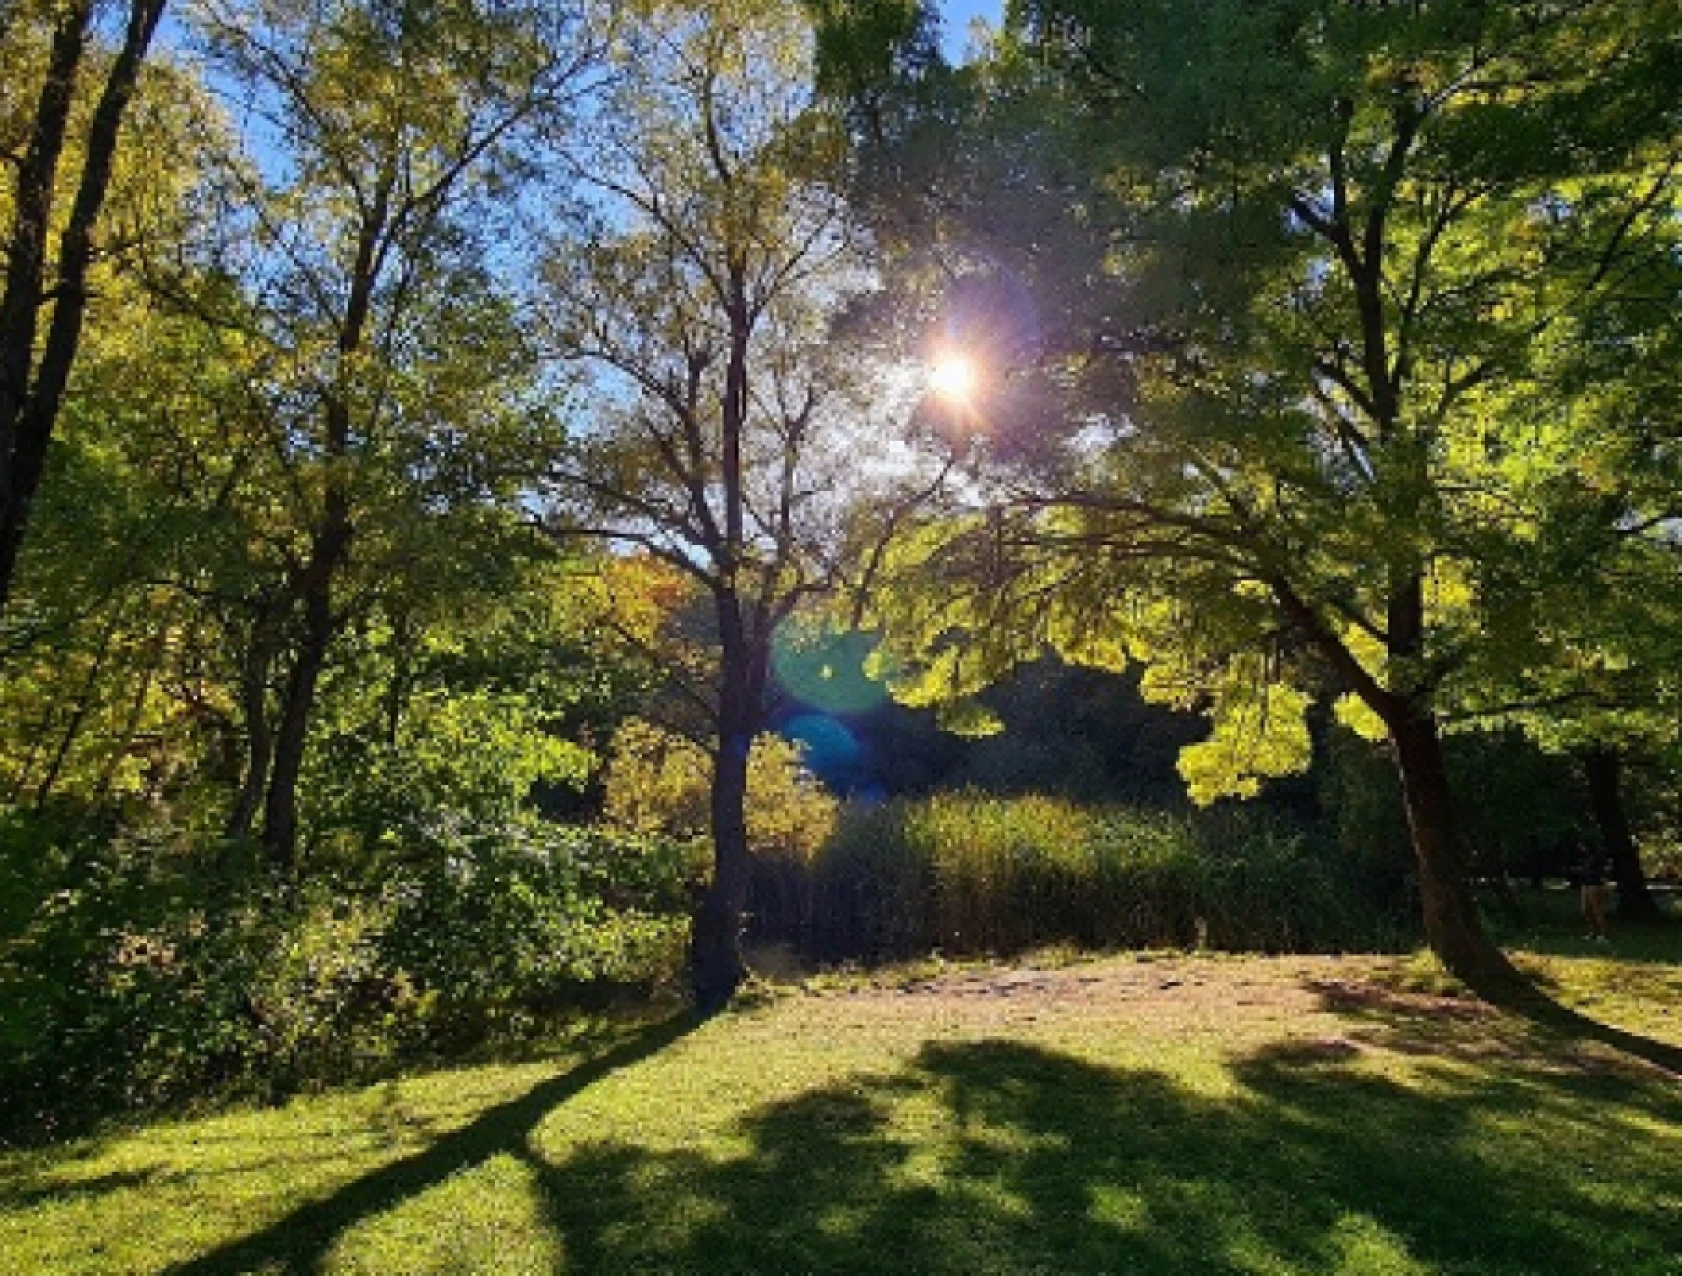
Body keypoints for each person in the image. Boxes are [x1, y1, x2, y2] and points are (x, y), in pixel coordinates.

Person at [1577, 845, 1610, 941]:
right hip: (1586, 884)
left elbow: (1605, 870)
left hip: (1595, 884)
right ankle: (1592, 932)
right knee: (1586, 910)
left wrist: (1604, 883)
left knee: (1597, 909)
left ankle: (1603, 933)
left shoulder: (1597, 857)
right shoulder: (1584, 858)